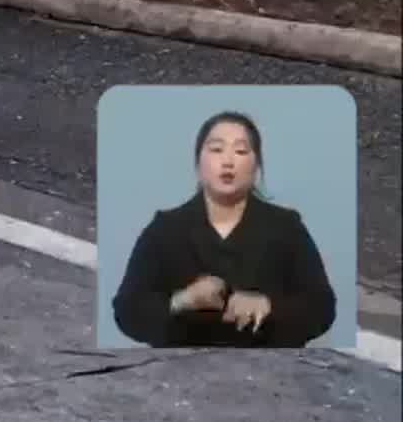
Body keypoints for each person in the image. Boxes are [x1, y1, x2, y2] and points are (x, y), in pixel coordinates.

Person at [112, 111, 336, 348]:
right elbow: (127, 311)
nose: (228, 161)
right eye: (216, 149)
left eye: (241, 151)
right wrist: (181, 301)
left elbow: (322, 308)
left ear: (257, 165)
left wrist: (268, 306)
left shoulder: (286, 228)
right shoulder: (166, 229)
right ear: (198, 162)